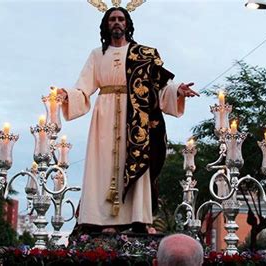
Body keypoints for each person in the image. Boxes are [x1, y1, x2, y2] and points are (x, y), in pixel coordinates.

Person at [58, 5, 198, 234]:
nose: (116, 22)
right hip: (104, 115)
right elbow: (83, 89)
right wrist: (66, 95)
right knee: (102, 164)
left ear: (127, 24)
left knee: (135, 161)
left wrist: (178, 91)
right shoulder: (97, 54)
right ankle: (102, 221)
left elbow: (160, 87)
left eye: (120, 19)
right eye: (112, 19)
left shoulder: (143, 55)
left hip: (137, 116)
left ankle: (138, 218)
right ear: (106, 25)